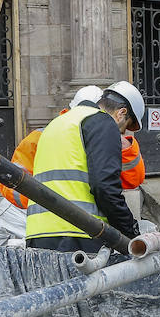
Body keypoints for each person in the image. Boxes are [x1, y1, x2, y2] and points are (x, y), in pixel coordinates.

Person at [25, 81, 144, 253]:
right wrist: (131, 233)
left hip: (37, 234)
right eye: (125, 127)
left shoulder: (56, 125)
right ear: (121, 113)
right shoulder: (102, 122)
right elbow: (105, 188)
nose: (122, 134)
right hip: (79, 235)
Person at [0, 85, 144, 208]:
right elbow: (13, 186)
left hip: (53, 223)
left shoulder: (44, 134)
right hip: (74, 222)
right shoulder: (41, 137)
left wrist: (125, 146)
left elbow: (130, 180)